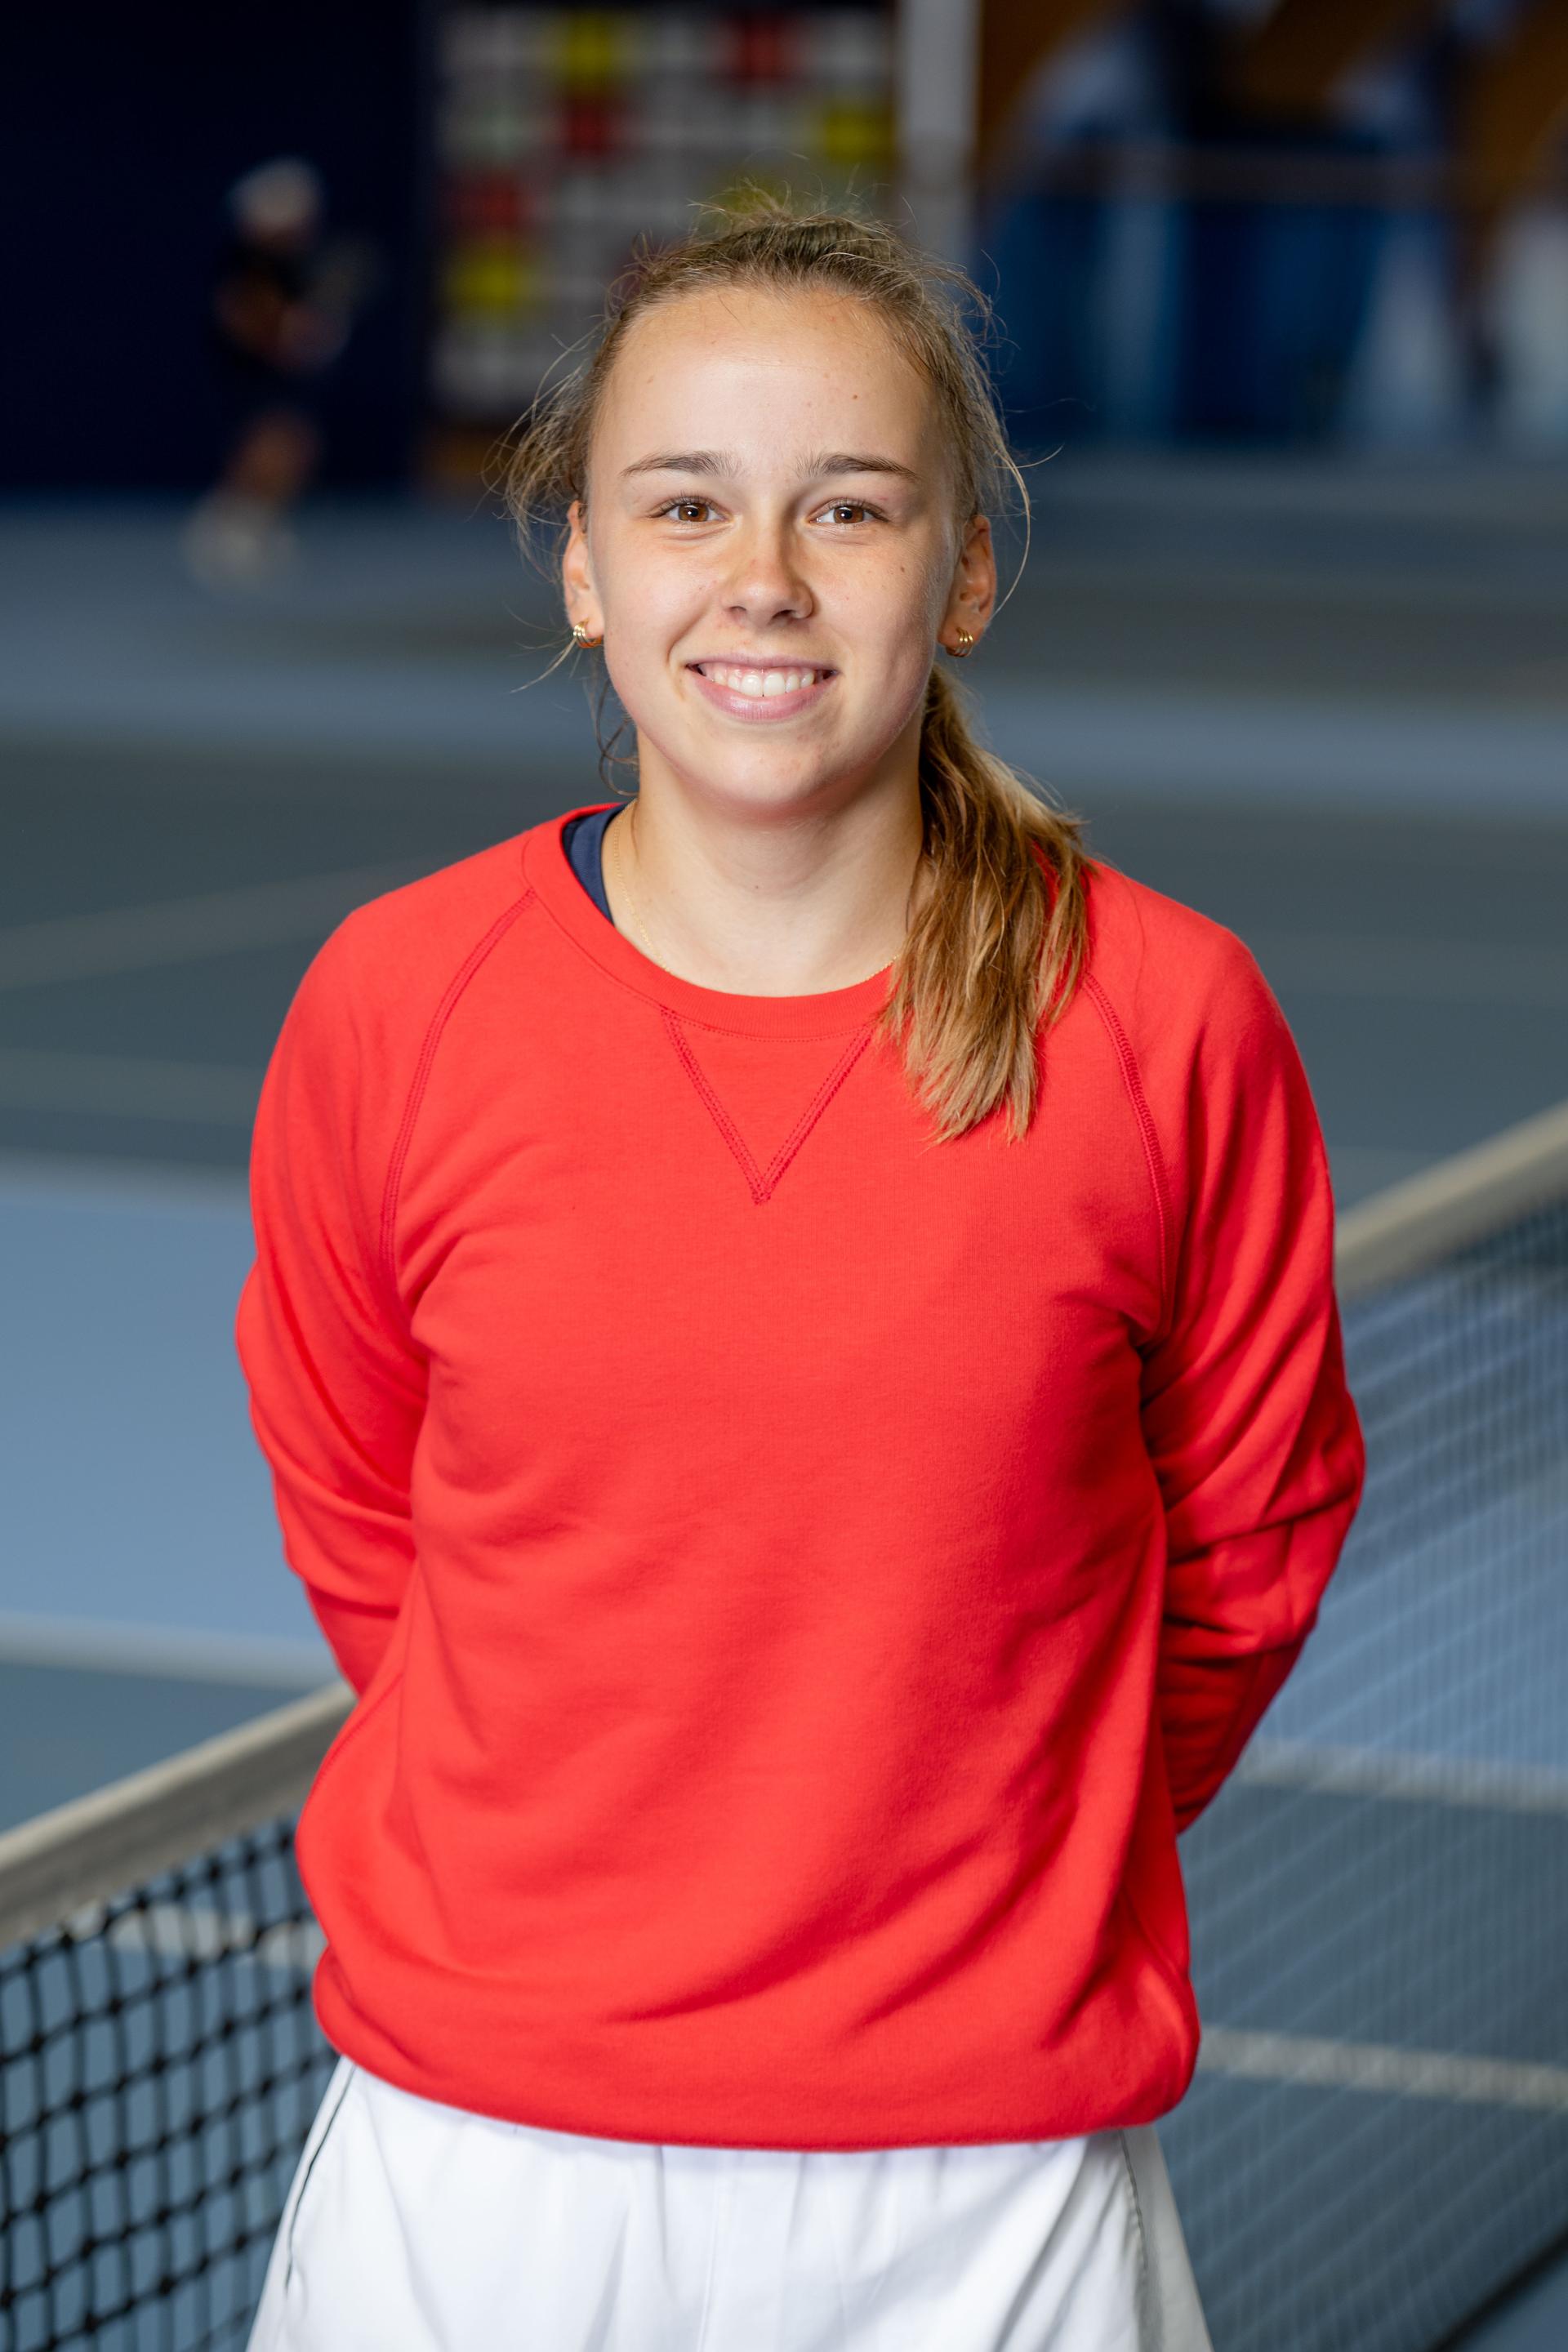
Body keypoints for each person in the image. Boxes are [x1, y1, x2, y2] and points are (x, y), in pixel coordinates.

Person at [236, 193, 1365, 2350]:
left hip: (992, 2199)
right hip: (479, 2177)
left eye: (849, 511)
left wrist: (995, 1845)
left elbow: (1253, 1541)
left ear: (964, 573)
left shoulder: (1168, 1018)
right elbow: (362, 1509)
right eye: (685, 503)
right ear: (583, 559)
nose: (760, 581)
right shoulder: (395, 1003)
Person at [184, 157, 372, 587]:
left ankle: (246, 526)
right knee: (277, 448)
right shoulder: (249, 266)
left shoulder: (288, 266)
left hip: (273, 375)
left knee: (292, 450)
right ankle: (227, 528)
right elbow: (247, 320)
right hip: (249, 375)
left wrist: (305, 333)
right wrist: (291, 335)